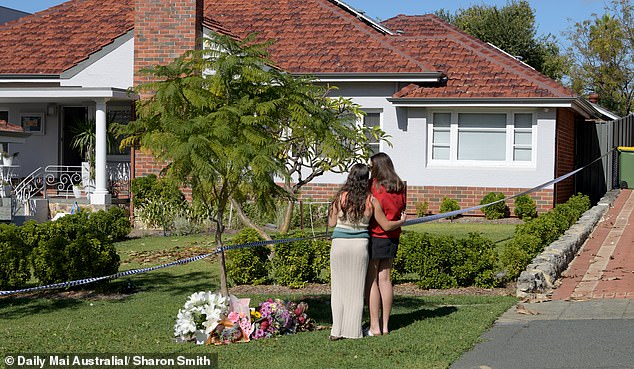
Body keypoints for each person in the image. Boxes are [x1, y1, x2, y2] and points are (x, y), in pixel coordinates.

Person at [328, 163, 405, 341]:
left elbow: (331, 223)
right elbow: (385, 225)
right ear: (366, 180)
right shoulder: (371, 200)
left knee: (338, 288)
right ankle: (353, 331)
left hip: (339, 245)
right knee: (356, 290)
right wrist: (401, 221)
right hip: (359, 246)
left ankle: (336, 330)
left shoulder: (340, 197)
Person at [366, 153, 406, 336]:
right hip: (393, 236)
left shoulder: (374, 186)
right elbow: (402, 209)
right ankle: (385, 325)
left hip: (376, 235)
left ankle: (374, 325)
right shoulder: (399, 185)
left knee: (373, 280)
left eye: (371, 165)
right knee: (386, 280)